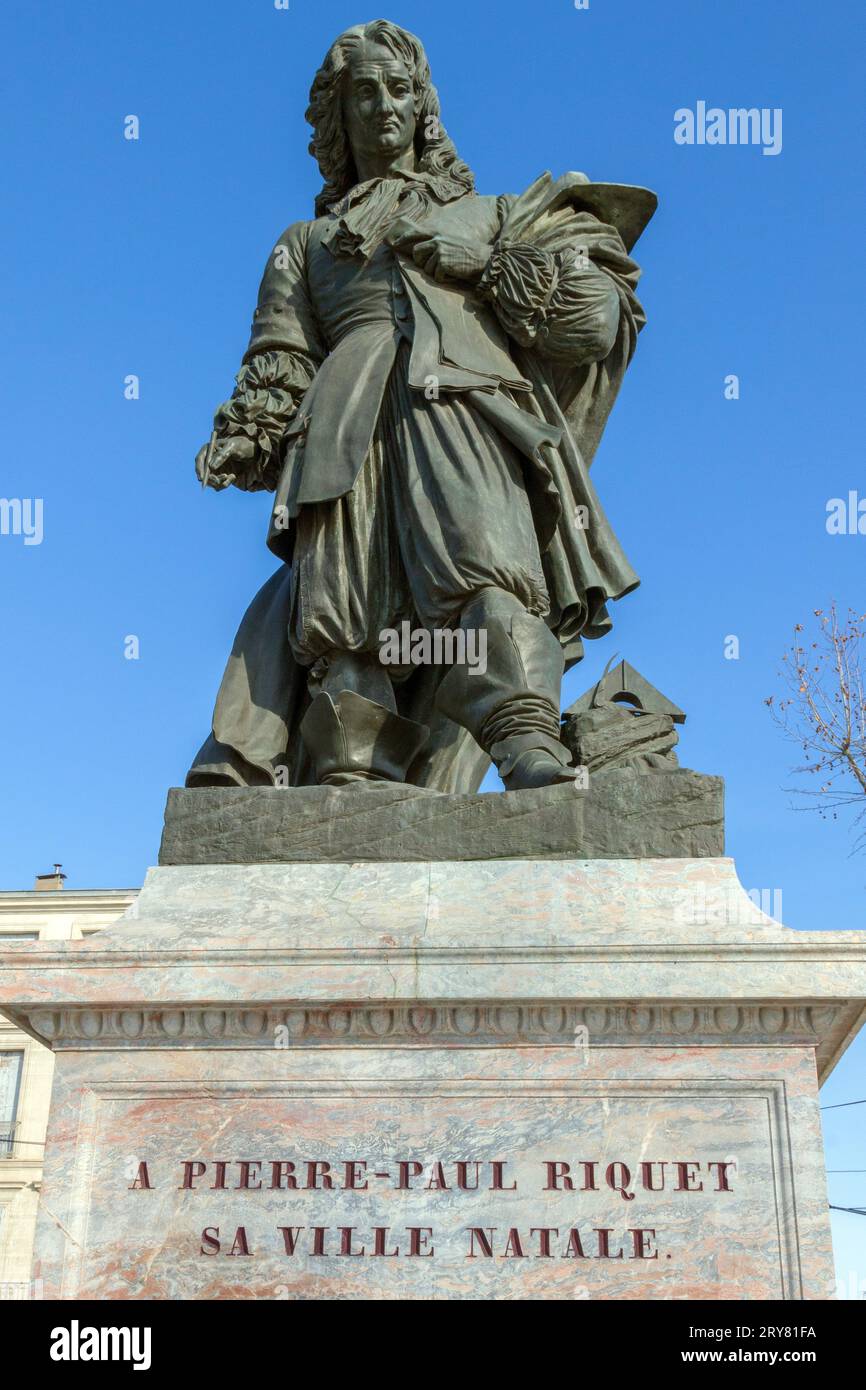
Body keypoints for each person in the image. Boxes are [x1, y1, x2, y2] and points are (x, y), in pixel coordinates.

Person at [188, 20, 655, 793]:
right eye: (361, 93)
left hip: (462, 406)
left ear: (424, 106)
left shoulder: (496, 214)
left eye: (398, 89)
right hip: (342, 426)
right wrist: (251, 433)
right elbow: (281, 358)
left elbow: (595, 320)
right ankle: (353, 767)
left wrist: (493, 262)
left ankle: (525, 741)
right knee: (348, 609)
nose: (381, 107)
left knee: (489, 570)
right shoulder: (304, 243)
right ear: (336, 117)